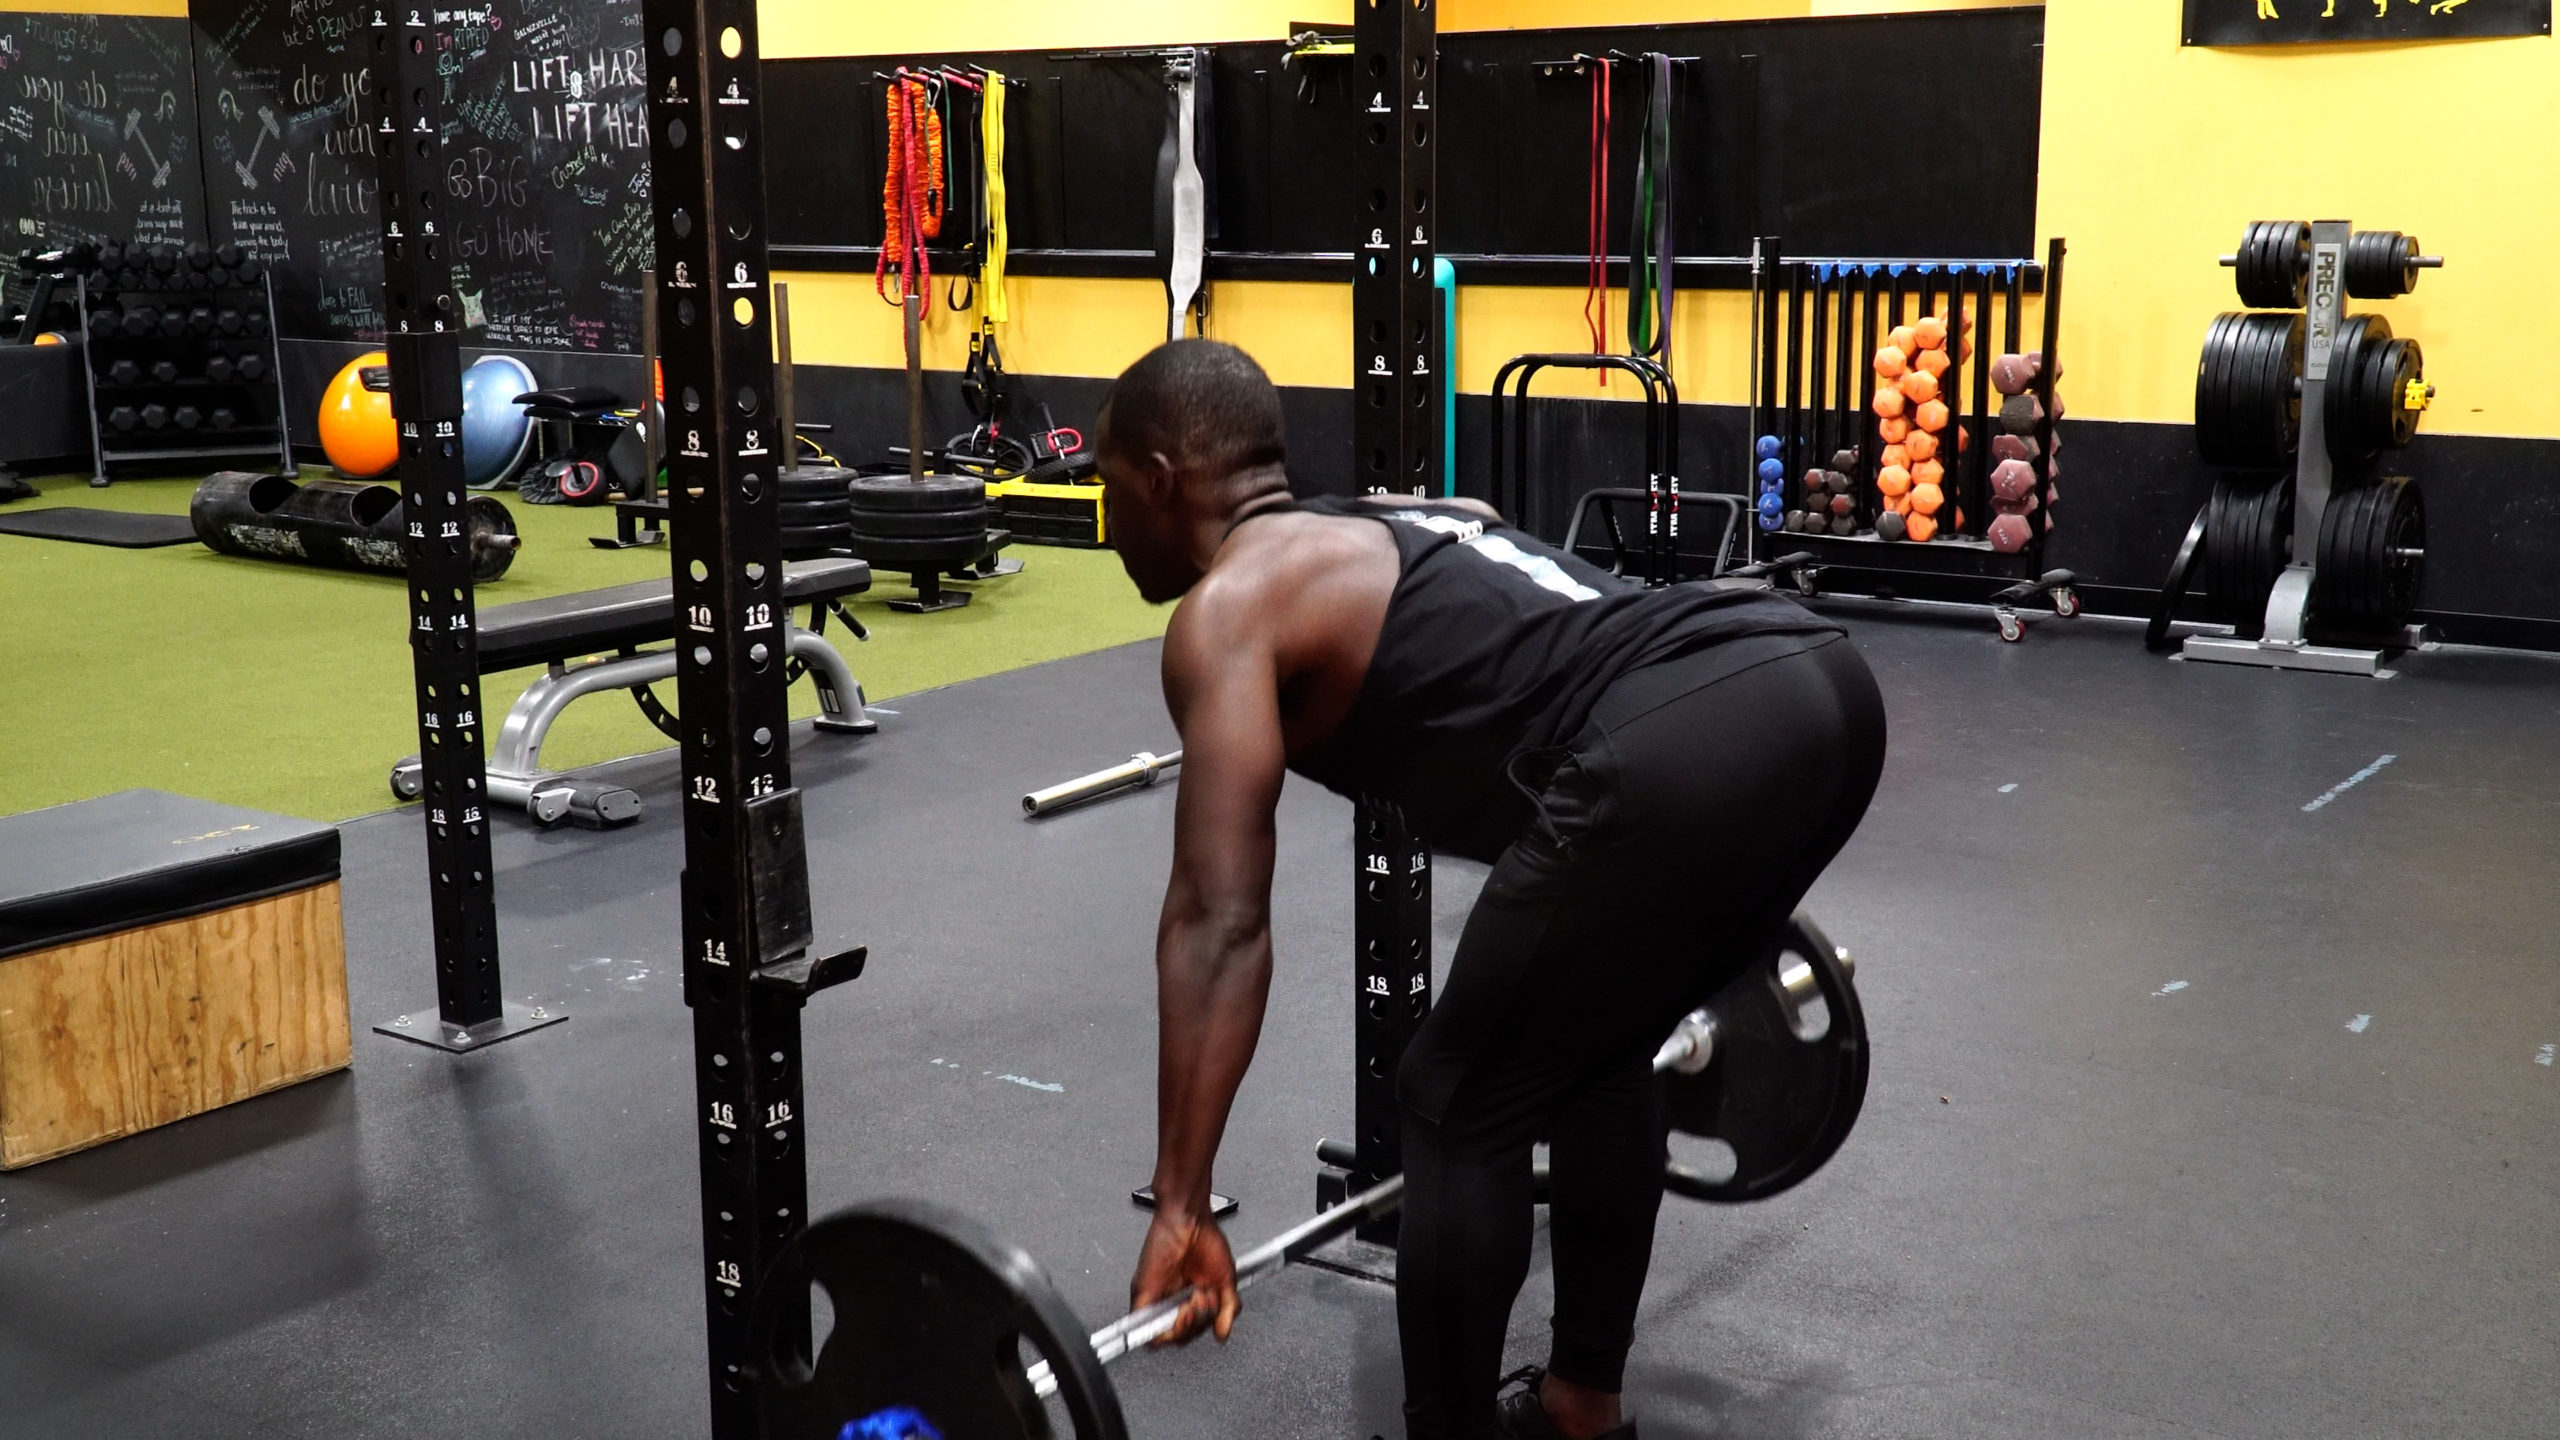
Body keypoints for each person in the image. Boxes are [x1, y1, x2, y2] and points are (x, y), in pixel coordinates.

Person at [1103, 339, 1887, 1440]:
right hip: (1817, 689)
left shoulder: (1229, 609)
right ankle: (1579, 1409)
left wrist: (1180, 1203)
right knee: (1593, 1054)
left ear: (1157, 475)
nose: (1103, 518)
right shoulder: (1403, 515)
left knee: (1454, 1096)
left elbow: (1218, 921)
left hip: (1682, 733)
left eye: (1103, 484)